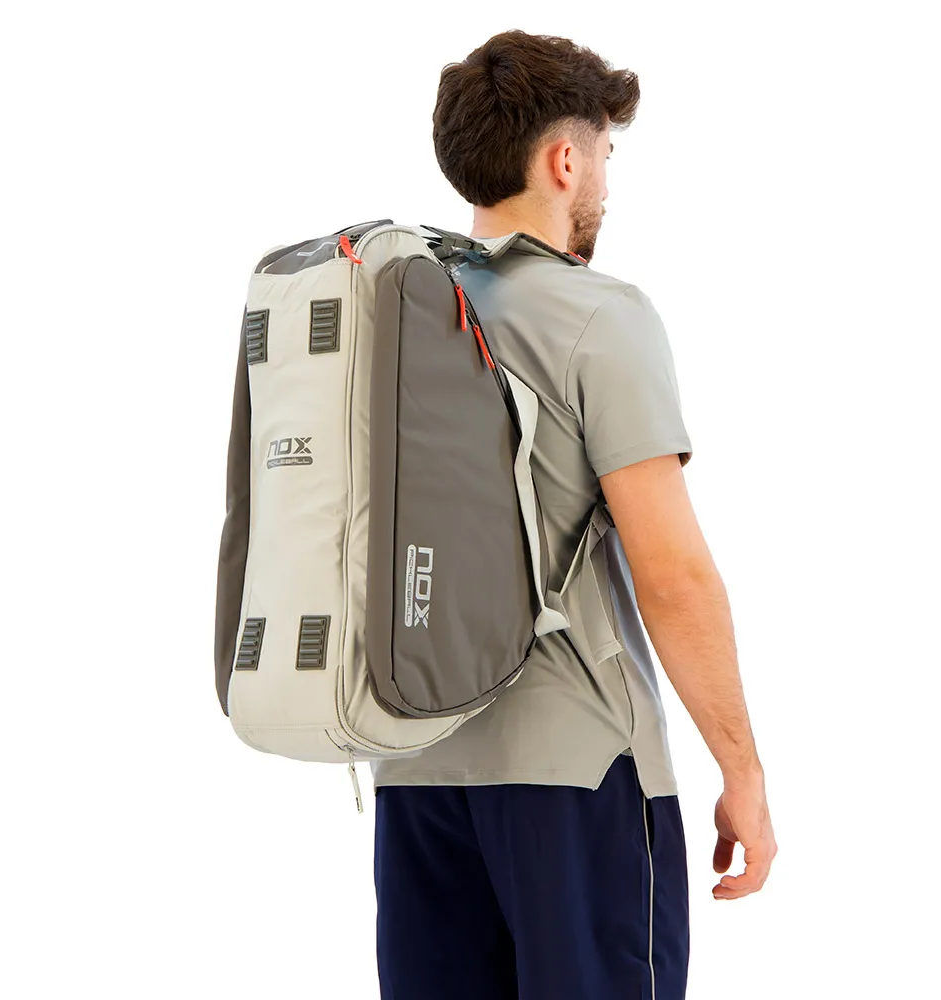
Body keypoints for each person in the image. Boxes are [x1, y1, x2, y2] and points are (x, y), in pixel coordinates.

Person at [369, 29, 777, 1000]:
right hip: (579, 771)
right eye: (603, 155)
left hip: (413, 771)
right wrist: (744, 773)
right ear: (563, 160)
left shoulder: (393, 315)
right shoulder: (600, 316)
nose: (603, 181)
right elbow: (671, 573)